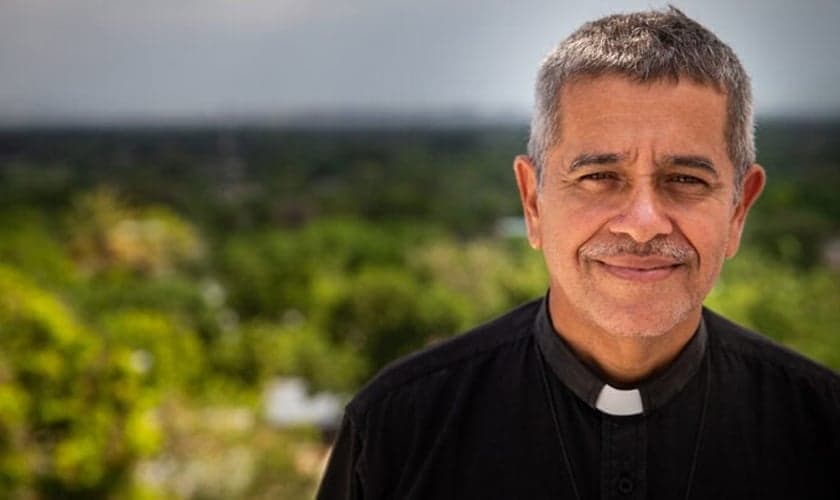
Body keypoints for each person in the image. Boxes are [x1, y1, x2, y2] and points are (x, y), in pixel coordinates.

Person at [317, 7, 840, 499]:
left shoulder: (824, 429)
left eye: (684, 179)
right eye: (598, 177)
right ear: (533, 201)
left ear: (737, 211)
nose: (642, 225)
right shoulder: (396, 431)